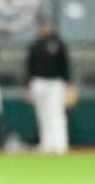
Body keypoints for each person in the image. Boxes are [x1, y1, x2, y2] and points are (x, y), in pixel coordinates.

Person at [26, 17, 73, 154]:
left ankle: (60, 145)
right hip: (38, 82)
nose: (44, 28)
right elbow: (30, 67)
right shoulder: (35, 44)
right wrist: (28, 85)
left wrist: (69, 84)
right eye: (42, 26)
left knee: (57, 113)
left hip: (55, 83)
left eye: (46, 26)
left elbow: (65, 65)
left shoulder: (58, 43)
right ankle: (46, 144)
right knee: (43, 115)